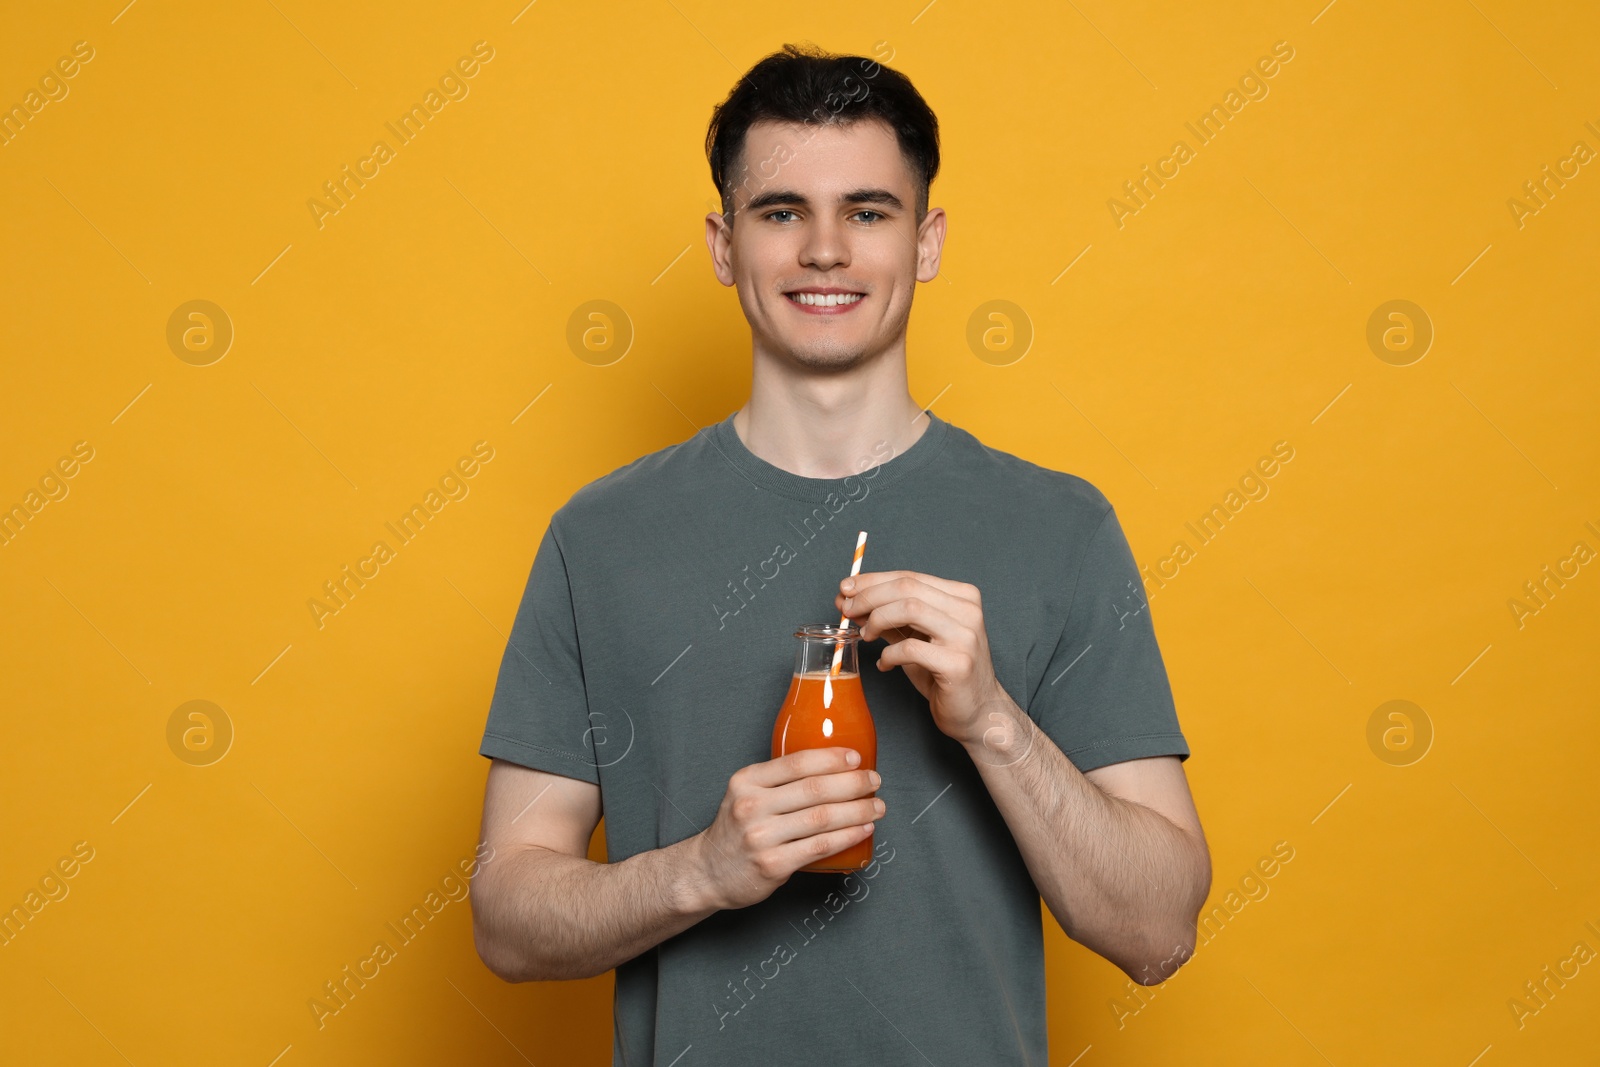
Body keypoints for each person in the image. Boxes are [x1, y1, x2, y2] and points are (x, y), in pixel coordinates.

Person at [471, 42, 1211, 1066]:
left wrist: (993, 722)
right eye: (780, 212)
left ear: (927, 241)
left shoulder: (1059, 528)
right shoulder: (598, 537)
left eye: (868, 211)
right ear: (724, 244)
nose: (825, 250)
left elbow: (1155, 930)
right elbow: (506, 918)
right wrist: (704, 869)